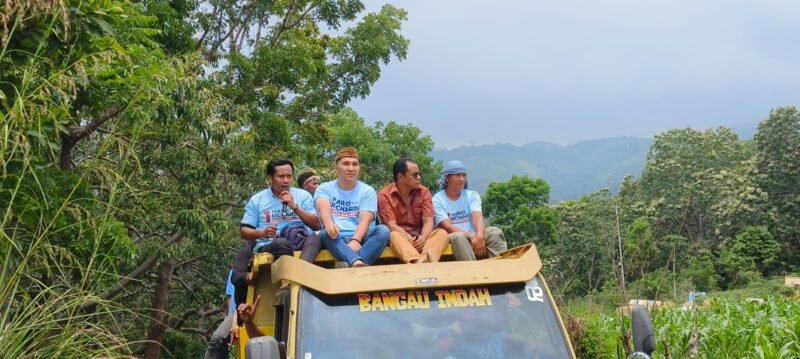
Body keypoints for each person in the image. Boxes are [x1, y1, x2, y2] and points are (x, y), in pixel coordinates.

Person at [233, 158, 323, 303]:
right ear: (270, 178)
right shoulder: (258, 200)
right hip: (271, 244)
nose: (286, 180)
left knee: (319, 236)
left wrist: (294, 207)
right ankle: (286, 284)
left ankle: (301, 274)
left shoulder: (303, 196)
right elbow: (244, 231)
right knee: (281, 243)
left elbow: (317, 225)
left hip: (299, 240)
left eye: (289, 176)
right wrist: (262, 233)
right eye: (281, 176)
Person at [315, 147, 389, 267]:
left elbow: (365, 219)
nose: (351, 168)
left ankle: (352, 262)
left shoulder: (367, 190)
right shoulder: (324, 188)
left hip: (362, 237)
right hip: (336, 237)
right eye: (345, 164)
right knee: (323, 233)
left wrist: (356, 240)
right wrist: (329, 225)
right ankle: (357, 262)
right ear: (336, 167)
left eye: (355, 164)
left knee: (383, 231)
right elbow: (323, 210)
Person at [378, 158, 449, 263]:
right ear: (400, 177)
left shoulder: (424, 192)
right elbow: (392, 225)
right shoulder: (384, 195)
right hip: (401, 239)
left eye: (419, 174)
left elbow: (428, 221)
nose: (419, 178)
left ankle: (423, 260)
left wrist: (423, 237)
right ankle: (416, 260)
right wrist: (408, 238)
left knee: (441, 233)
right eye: (415, 175)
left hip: (421, 237)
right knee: (393, 235)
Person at [433, 160, 507, 261]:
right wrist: (472, 236)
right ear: (447, 179)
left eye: (464, 175)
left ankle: (500, 268)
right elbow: (447, 226)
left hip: (475, 235)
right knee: (459, 237)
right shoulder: (437, 199)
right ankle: (474, 272)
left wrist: (480, 236)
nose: (462, 179)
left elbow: (477, 218)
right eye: (457, 175)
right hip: (453, 238)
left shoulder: (472, 195)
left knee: (495, 232)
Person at [203, 270, 238, 359]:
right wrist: (228, 319)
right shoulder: (233, 272)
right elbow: (229, 297)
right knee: (218, 338)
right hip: (233, 314)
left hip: (245, 310)